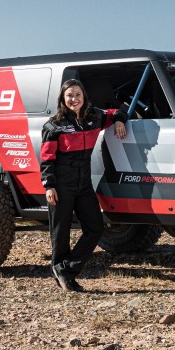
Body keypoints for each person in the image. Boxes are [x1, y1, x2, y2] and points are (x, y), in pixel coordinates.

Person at [39, 79, 127, 292]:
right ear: (63, 98)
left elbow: (117, 110)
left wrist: (119, 121)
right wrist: (49, 185)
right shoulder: (54, 125)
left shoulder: (94, 117)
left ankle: (67, 270)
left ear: (84, 96)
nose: (74, 99)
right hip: (61, 184)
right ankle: (62, 273)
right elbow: (47, 158)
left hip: (84, 183)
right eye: (69, 95)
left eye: (78, 94)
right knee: (61, 233)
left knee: (95, 228)